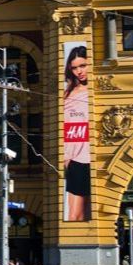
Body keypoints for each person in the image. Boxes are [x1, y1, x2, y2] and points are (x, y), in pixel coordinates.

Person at [61, 46, 92, 222]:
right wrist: (66, 157)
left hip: (96, 157)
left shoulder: (98, 89)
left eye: (83, 65)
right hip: (76, 159)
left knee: (90, 213)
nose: (79, 71)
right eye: (74, 67)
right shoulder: (68, 94)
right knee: (75, 215)